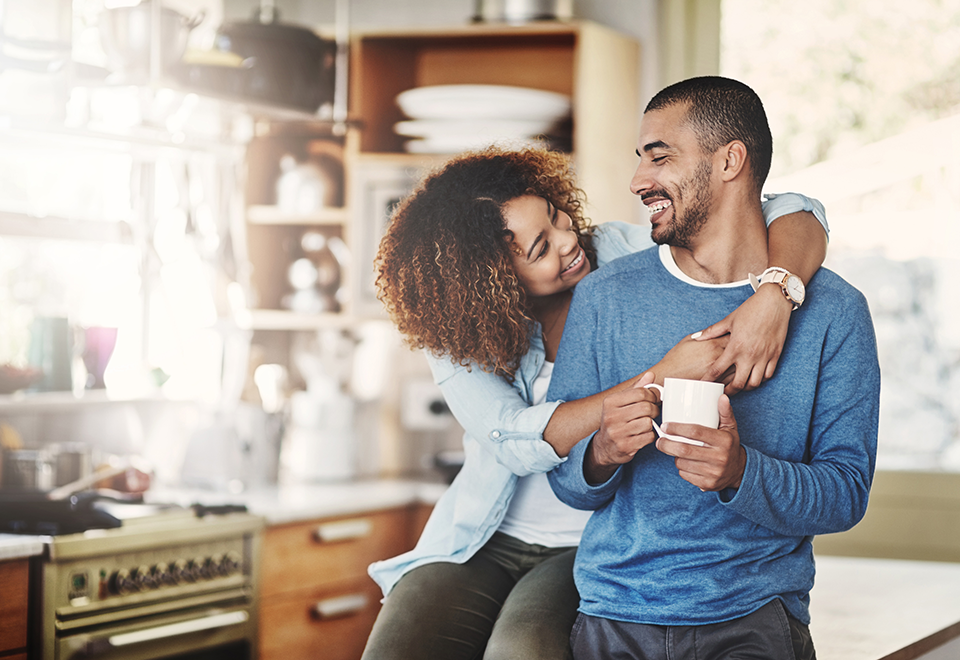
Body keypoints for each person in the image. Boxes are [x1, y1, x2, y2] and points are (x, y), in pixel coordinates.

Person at [362, 144, 830, 660]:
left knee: (521, 649)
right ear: (488, 284)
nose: (569, 242)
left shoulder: (618, 253)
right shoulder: (456, 331)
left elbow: (794, 210)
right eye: (541, 249)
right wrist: (661, 375)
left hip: (591, 541)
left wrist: (776, 293)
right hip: (481, 537)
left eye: (558, 217)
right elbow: (514, 437)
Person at [546, 76, 880, 660]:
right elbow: (567, 483)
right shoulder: (604, 297)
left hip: (754, 620)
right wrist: (601, 452)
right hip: (614, 618)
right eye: (639, 161)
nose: (637, 182)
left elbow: (845, 496)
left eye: (661, 157)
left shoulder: (835, 312)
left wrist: (739, 472)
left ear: (730, 161)